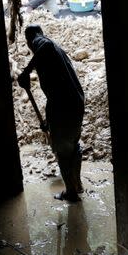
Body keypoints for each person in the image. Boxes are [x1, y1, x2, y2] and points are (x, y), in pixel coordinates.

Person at [17, 25, 85, 202]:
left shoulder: (41, 42)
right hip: (74, 102)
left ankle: (71, 192)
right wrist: (48, 121)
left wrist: (26, 71)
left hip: (64, 105)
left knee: (62, 151)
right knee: (72, 144)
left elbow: (44, 48)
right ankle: (77, 185)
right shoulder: (55, 51)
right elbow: (56, 90)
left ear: (29, 40)